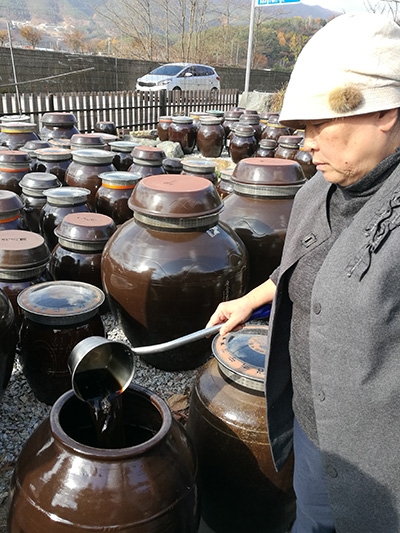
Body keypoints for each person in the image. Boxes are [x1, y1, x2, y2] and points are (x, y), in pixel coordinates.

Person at [207, 12, 400, 533]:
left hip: (386, 467)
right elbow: (311, 269)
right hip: (314, 433)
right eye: (303, 129)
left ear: (384, 112)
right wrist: (257, 295)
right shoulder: (317, 190)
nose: (307, 143)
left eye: (319, 125)